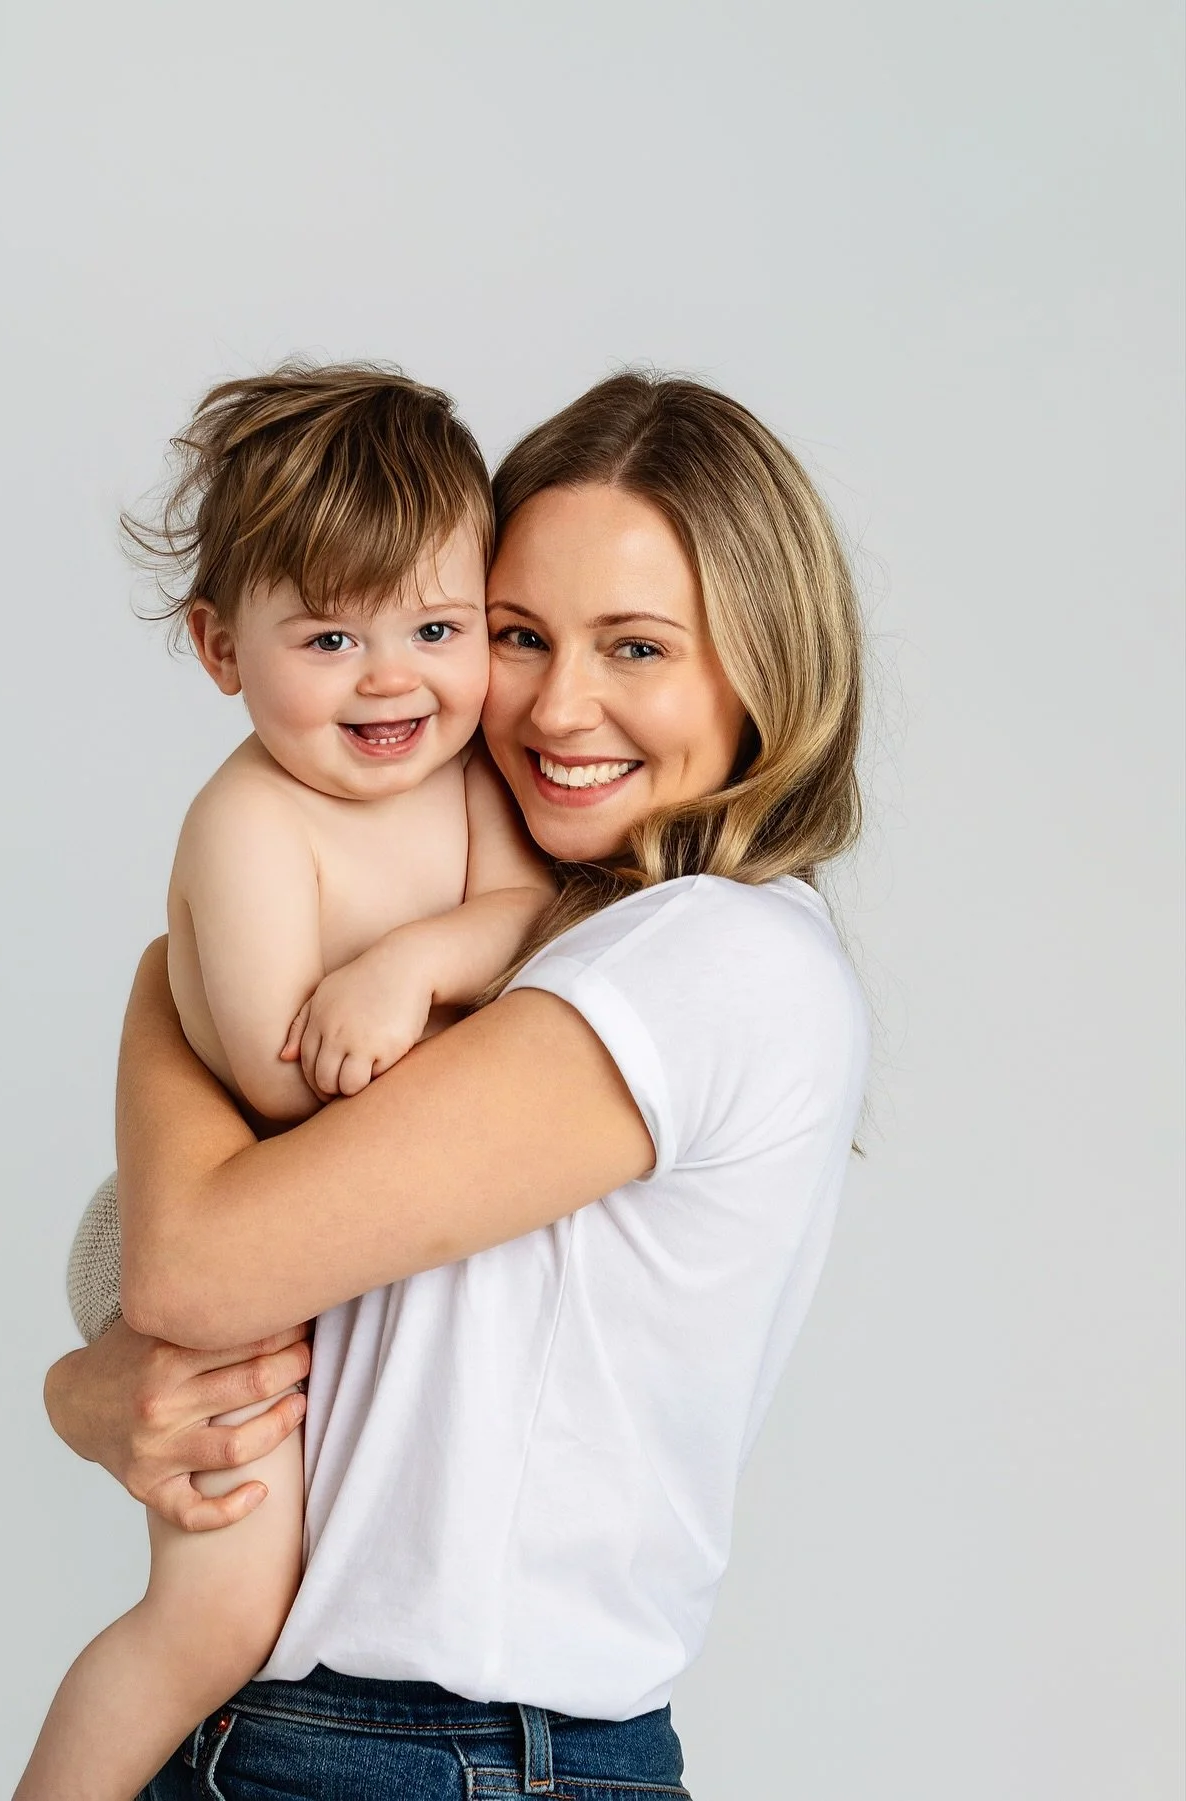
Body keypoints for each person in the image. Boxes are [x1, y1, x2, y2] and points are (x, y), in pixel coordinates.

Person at [44, 369, 870, 1799]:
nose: (560, 705)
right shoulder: (559, 925)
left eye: (636, 648)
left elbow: (201, 1265)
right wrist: (84, 1394)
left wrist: (154, 991)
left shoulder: (716, 959)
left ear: (762, 663)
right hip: (316, 1729)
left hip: (450, 1754)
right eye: (517, 635)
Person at [15, 367, 553, 1801]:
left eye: (438, 630)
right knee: (219, 1616)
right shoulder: (250, 824)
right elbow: (278, 1074)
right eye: (330, 635)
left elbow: (528, 920)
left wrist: (412, 961)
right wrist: (438, 999)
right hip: (191, 1220)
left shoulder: (475, 776)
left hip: (304, 1226)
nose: (394, 678)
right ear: (219, 649)